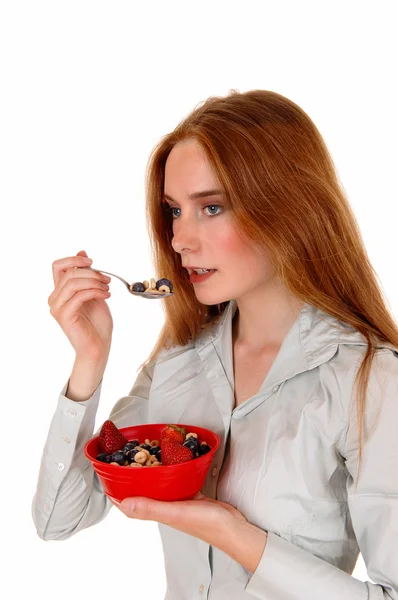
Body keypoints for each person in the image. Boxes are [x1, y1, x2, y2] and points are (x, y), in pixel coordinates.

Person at [32, 89, 398, 599]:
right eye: (175, 211)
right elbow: (59, 518)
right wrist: (89, 362)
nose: (180, 239)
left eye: (212, 206)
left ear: (288, 207)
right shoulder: (178, 359)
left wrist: (231, 532)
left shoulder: (367, 379)